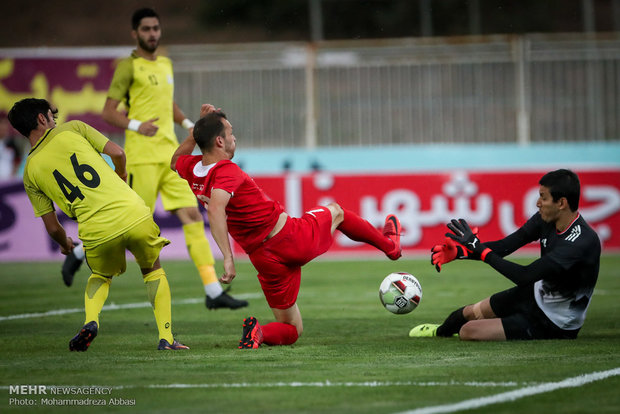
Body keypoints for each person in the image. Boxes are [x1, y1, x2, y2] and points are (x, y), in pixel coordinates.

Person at [170, 104, 403, 349]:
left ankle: (259, 332)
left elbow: (175, 161)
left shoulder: (193, 169)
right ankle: (391, 247)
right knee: (337, 212)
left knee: (292, 328)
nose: (234, 137)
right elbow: (216, 209)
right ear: (219, 141)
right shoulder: (227, 171)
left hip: (263, 257)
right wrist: (227, 257)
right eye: (230, 132)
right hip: (289, 238)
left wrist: (194, 132)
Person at [8, 98, 188, 351]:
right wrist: (122, 176)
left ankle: (91, 322)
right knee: (152, 269)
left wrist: (65, 243)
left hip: (95, 229)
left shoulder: (30, 172)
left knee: (101, 275)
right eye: (51, 115)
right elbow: (118, 153)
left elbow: (52, 227)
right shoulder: (73, 128)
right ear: (41, 118)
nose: (55, 119)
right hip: (132, 213)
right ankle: (166, 338)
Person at [98, 7, 247, 310]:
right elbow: (108, 111)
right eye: (146, 29)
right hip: (140, 157)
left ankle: (213, 291)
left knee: (192, 217)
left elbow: (168, 104)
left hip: (171, 154)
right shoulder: (128, 67)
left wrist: (190, 125)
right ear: (135, 33)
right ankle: (79, 255)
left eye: (156, 28)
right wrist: (138, 125)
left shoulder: (165, 63)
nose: (152, 33)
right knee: (132, 224)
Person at [410, 169, 600, 341]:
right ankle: (438, 333)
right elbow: (505, 246)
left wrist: (480, 250)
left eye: (543, 197)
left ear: (561, 203)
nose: (538, 203)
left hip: (555, 322)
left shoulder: (580, 242)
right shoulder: (546, 220)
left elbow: (524, 276)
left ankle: (510, 324)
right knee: (469, 313)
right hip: (534, 295)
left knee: (468, 330)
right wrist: (460, 252)